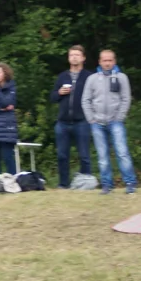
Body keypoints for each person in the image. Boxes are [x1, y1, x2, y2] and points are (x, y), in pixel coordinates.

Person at [81, 49, 137, 195]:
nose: (107, 63)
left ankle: (130, 183)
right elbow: (85, 100)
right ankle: (107, 184)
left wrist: (120, 117)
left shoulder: (122, 77)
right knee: (102, 156)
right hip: (97, 123)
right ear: (99, 62)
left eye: (110, 60)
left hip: (115, 121)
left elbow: (126, 98)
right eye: (104, 60)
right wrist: (91, 119)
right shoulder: (92, 79)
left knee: (122, 153)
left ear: (114, 61)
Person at [49, 45, 94, 188]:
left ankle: (86, 184)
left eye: (77, 55)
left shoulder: (89, 76)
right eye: (71, 55)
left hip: (82, 121)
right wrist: (59, 93)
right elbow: (52, 97)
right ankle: (63, 184)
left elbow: (95, 97)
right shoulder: (62, 76)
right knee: (62, 155)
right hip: (62, 122)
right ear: (68, 58)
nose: (74, 57)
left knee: (84, 155)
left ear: (83, 58)